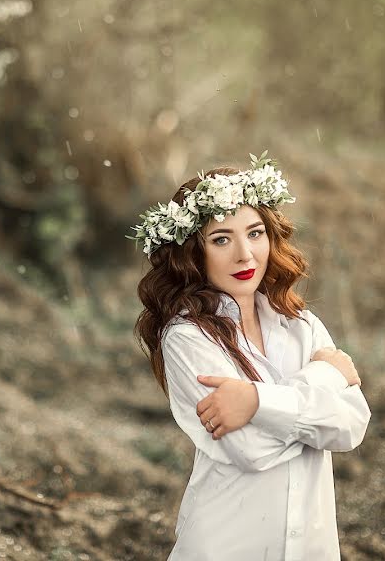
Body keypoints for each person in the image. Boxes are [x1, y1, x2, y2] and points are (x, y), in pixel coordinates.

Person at [128, 153, 371, 561]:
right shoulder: (186, 338)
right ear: (194, 253)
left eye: (255, 233)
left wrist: (255, 402)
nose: (245, 254)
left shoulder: (302, 324)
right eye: (221, 239)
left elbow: (351, 426)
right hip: (225, 545)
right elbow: (250, 449)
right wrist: (324, 381)